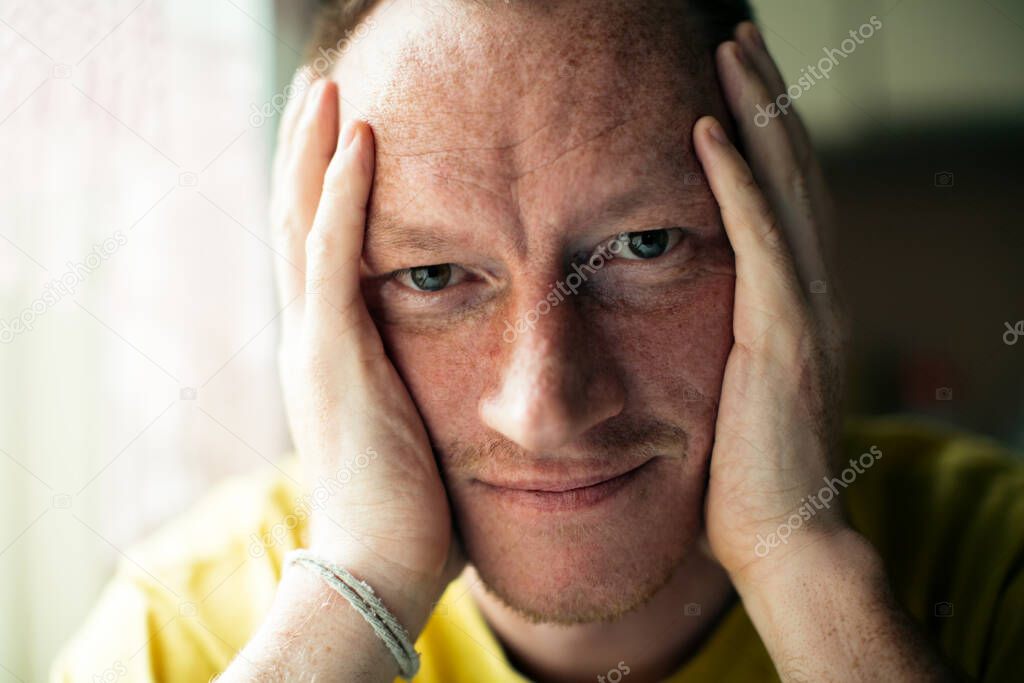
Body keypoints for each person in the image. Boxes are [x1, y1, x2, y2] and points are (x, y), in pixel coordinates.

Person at [53, 1, 1024, 681]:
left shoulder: (991, 562)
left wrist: (801, 567)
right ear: (320, 308)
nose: (544, 403)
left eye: (643, 246)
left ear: (788, 231)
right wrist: (356, 592)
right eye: (431, 276)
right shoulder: (175, 634)